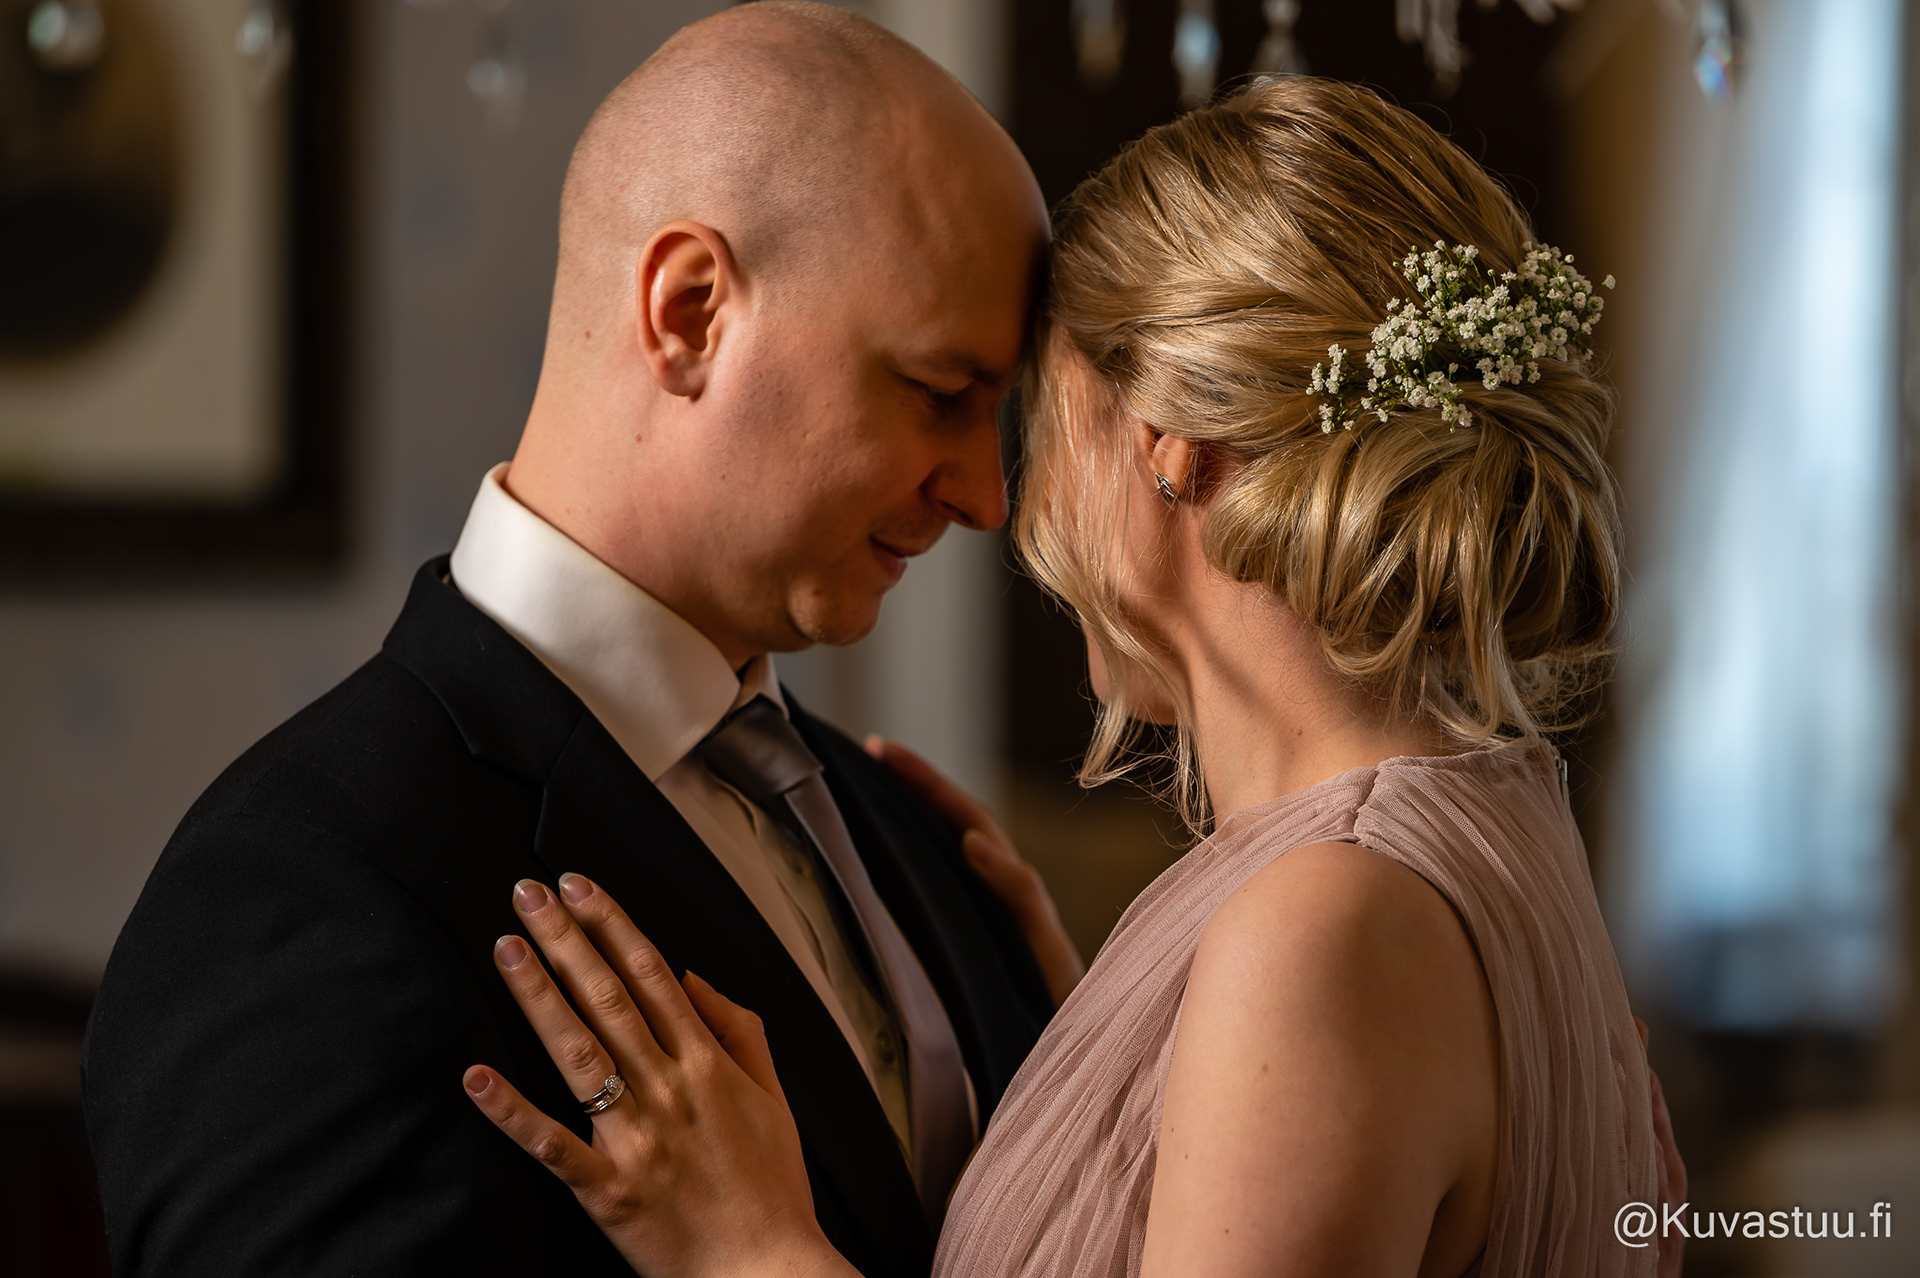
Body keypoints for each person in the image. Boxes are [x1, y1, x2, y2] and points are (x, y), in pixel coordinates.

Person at [459, 76, 1689, 1278]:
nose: (1000, 500)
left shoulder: (1321, 934)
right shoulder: (1501, 834)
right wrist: (1098, 1087)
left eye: (1035, 417)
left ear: (1170, 446)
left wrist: (749, 1253)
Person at [80, 6, 1067, 1275]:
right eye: (939, 393)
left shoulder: (918, 845)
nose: (985, 497)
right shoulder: (299, 893)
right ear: (690, 310)